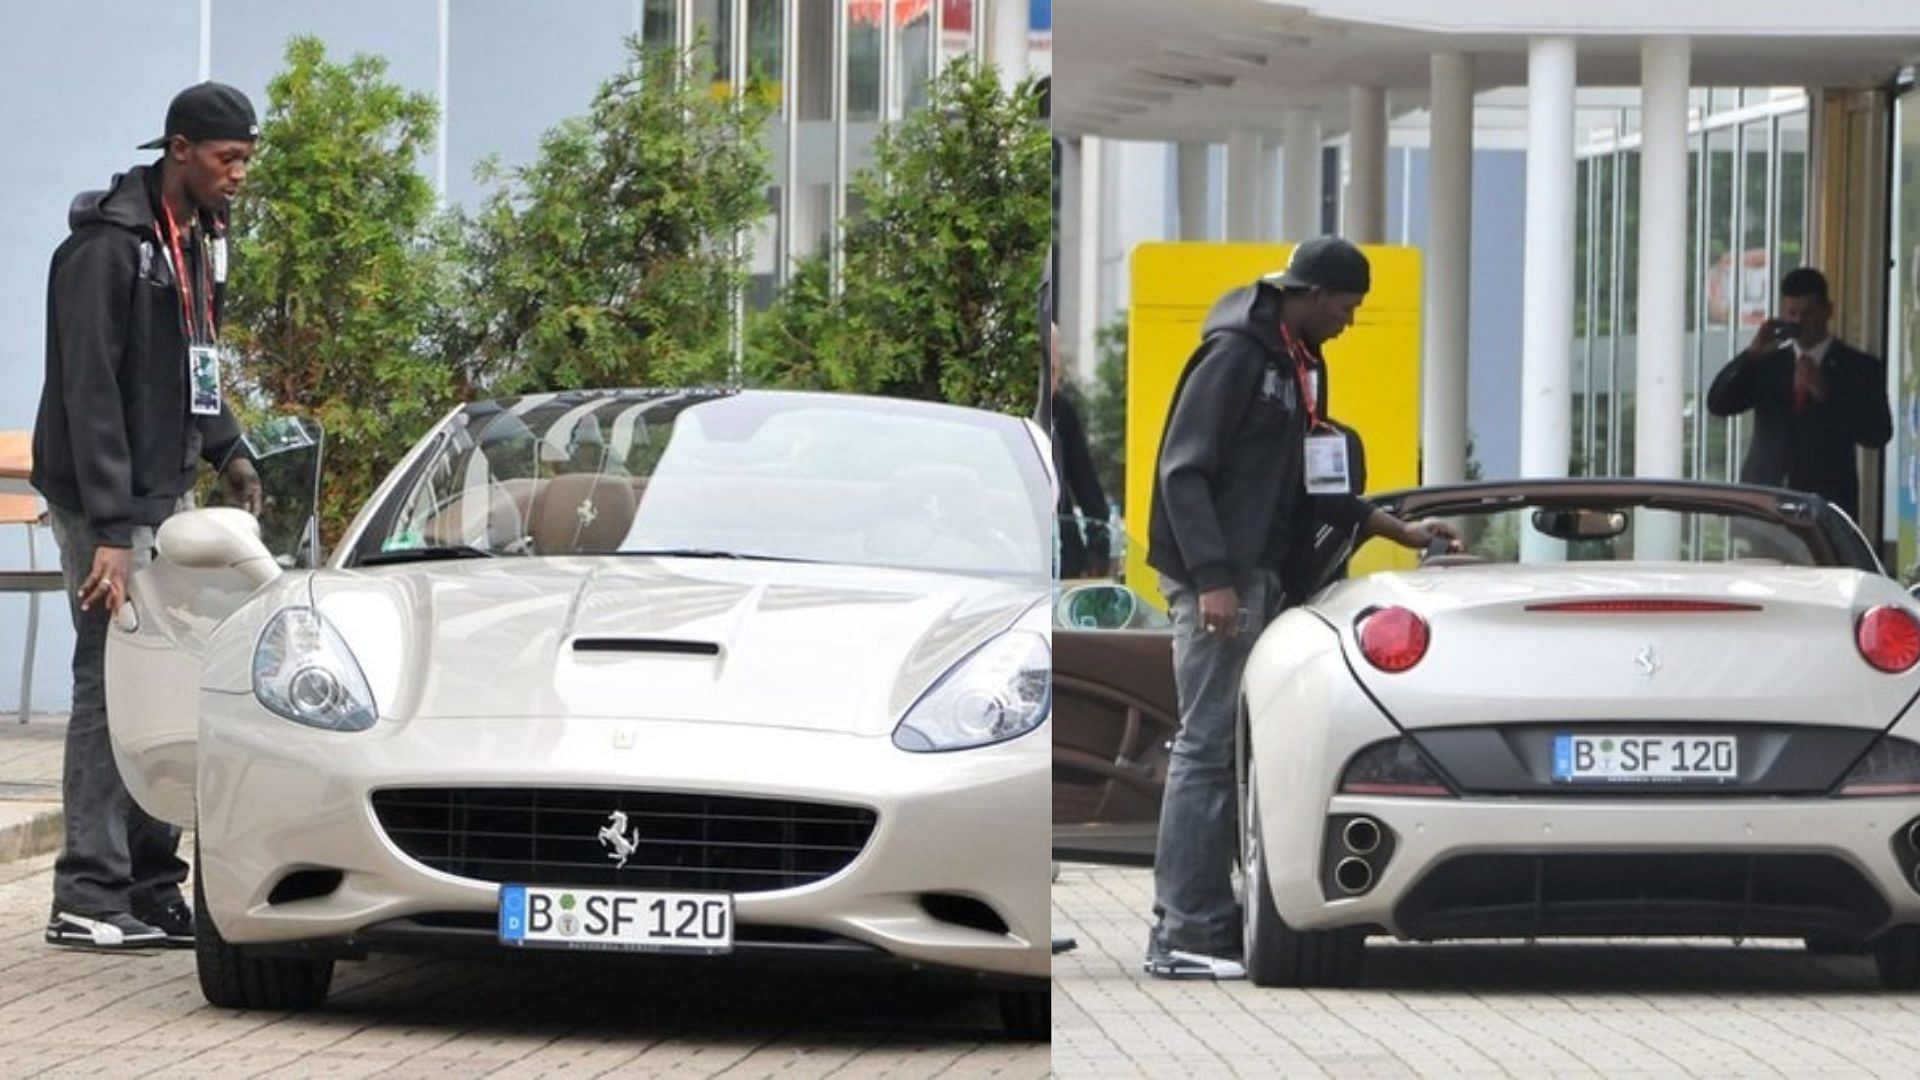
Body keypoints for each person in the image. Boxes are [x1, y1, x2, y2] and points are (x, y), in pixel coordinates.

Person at [1141, 236, 1456, 980]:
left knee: (1229, 751)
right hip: (1222, 581)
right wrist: (1215, 578)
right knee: (1207, 749)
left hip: (1255, 578)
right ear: (1309, 294)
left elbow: (1312, 485)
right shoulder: (1240, 357)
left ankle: (1210, 924)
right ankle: (1183, 933)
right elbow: (1182, 472)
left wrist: (1399, 530)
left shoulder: (1297, 363)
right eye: (1346, 307)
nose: (1350, 321)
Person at [32, 82, 263, 949]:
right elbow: (91, 394)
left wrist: (228, 448)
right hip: (104, 506)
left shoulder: (194, 243)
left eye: (246, 159)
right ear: (177, 149)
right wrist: (112, 534)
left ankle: (153, 885)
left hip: (161, 499)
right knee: (107, 685)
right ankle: (88, 893)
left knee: (162, 687)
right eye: (226, 159)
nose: (238, 175)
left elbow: (196, 360)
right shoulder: (106, 250)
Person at [1706, 267, 1892, 522]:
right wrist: (1751, 356)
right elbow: (1718, 403)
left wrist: (1826, 393)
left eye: (1807, 313)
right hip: (1765, 502)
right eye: (1792, 314)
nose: (1799, 323)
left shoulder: (1858, 367)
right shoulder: (1770, 364)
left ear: (1828, 311)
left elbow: (1878, 433)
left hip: (1825, 507)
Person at [1052, 323, 1112, 579]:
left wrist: (1099, 552)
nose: (1052, 381)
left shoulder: (1062, 412)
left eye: (1055, 372)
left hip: (1066, 554)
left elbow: (1086, 484)